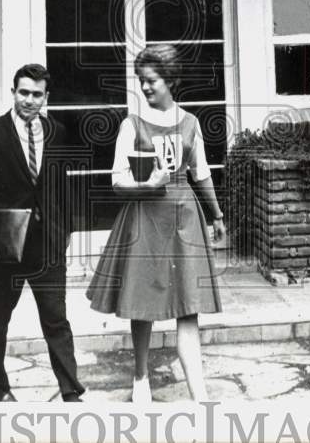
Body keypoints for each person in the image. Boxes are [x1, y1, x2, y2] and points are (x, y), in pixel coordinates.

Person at [87, 44, 226, 402]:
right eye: (142, 81)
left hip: (184, 219)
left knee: (188, 305)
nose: (145, 88)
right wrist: (146, 185)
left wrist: (218, 214)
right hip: (145, 218)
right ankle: (140, 377)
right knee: (144, 300)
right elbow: (117, 181)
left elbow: (202, 174)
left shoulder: (191, 123)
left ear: (171, 80)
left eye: (152, 81)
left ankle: (200, 397)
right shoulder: (130, 125)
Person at [0, 63, 84, 402]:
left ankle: (71, 390)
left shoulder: (56, 131)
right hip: (5, 244)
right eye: (23, 92)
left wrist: (67, 228)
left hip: (47, 244)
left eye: (36, 94)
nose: (29, 100)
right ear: (13, 92)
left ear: (46, 97)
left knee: (56, 319)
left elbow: (61, 182)